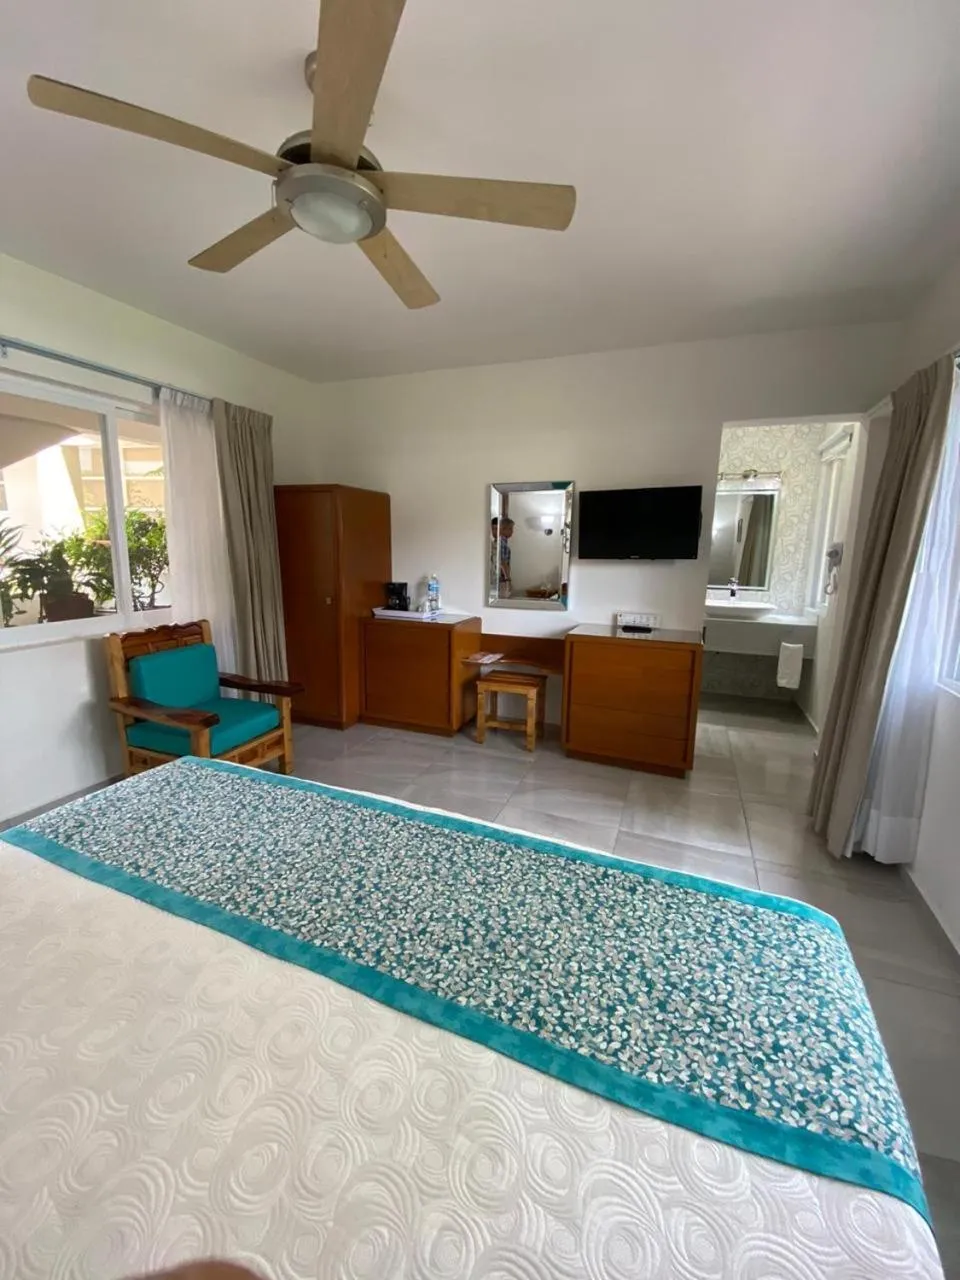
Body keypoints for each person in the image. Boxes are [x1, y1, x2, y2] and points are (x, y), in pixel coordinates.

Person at [490, 515, 514, 597]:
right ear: (503, 529)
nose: (512, 532)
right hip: (501, 581)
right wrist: (508, 580)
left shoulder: (497, 543)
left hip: (495, 580)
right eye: (510, 529)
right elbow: (502, 562)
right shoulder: (502, 543)